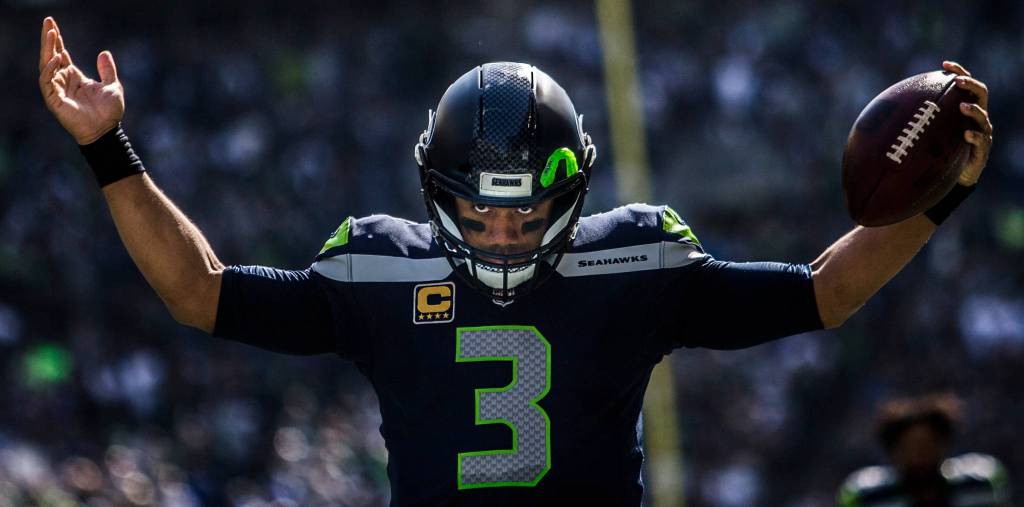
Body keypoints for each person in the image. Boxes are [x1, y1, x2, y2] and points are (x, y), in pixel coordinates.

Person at [37, 15, 994, 506]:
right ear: (436, 191)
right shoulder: (380, 269)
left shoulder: (635, 263)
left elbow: (824, 292)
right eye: (478, 214)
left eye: (526, 215)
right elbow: (197, 291)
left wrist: (940, 196)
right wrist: (107, 148)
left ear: (573, 195)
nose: (500, 235)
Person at [838, 394, 1011, 507]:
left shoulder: (979, 485)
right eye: (910, 448)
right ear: (893, 451)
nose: (920, 456)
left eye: (928, 446)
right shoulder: (869, 497)